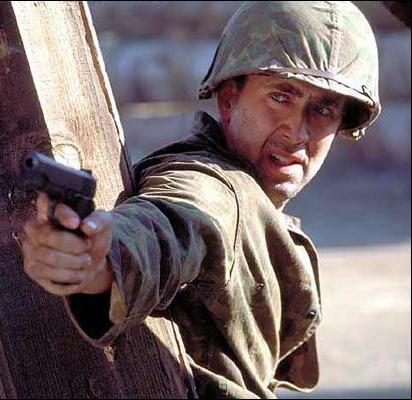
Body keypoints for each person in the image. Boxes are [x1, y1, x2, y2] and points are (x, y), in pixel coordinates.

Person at [21, 1, 380, 398]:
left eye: (323, 110)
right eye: (280, 97)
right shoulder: (213, 189)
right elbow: (174, 221)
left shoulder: (252, 198)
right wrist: (100, 262)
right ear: (228, 100)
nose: (296, 132)